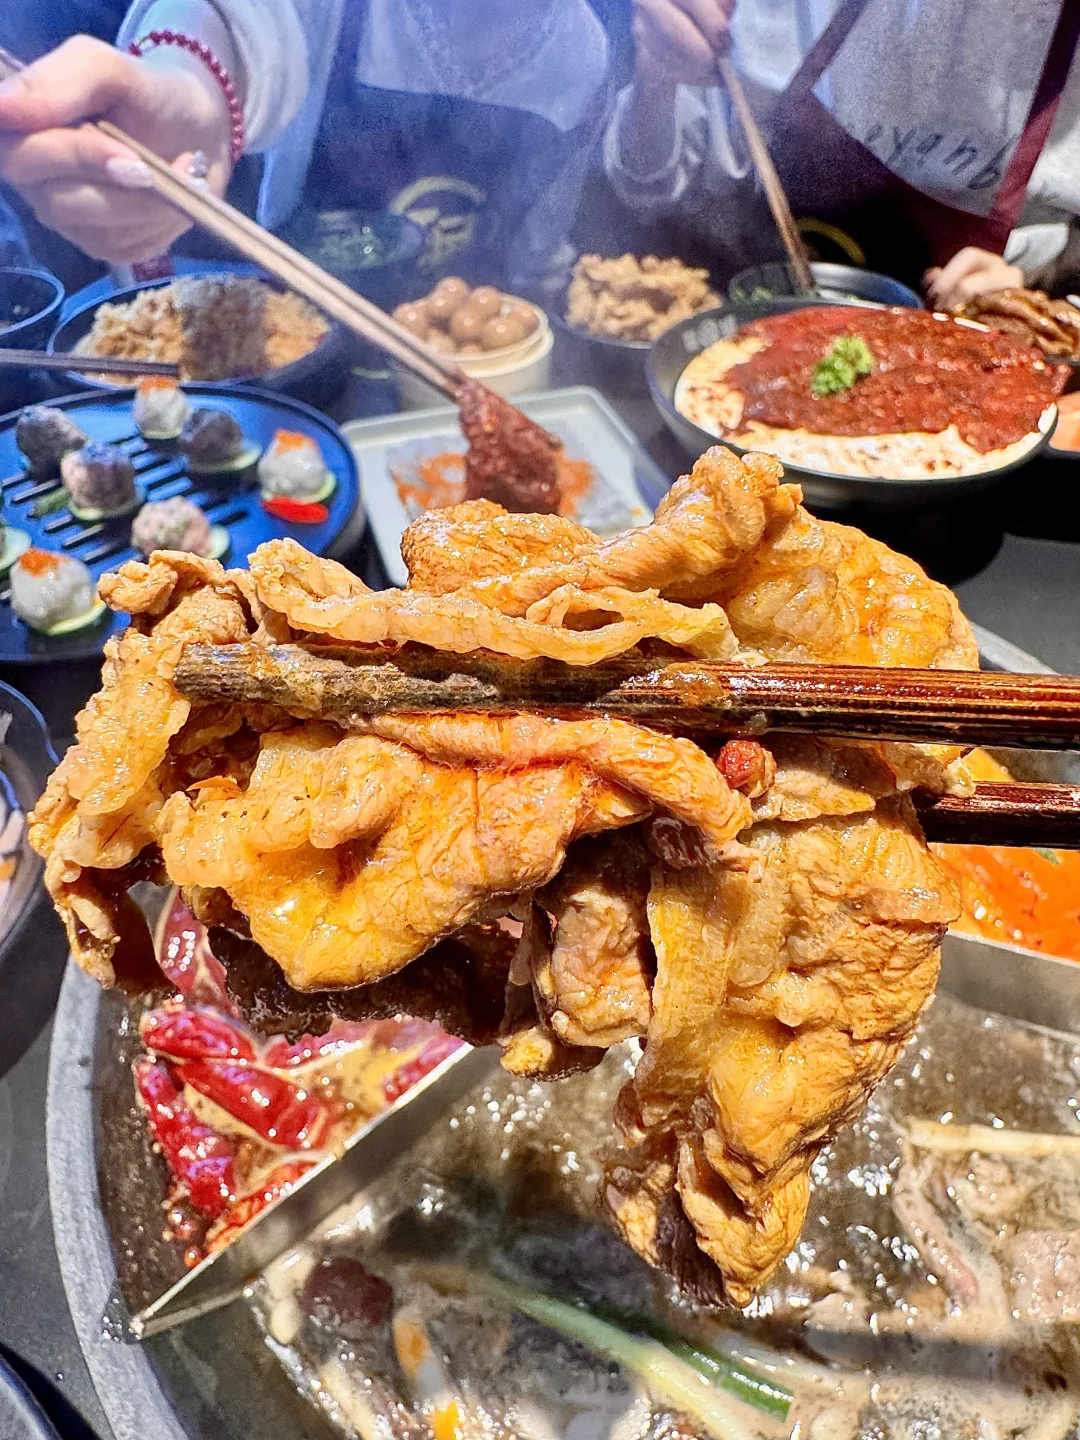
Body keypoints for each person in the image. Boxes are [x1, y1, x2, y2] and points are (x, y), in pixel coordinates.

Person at [0, 0, 612, 292]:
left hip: (464, 371)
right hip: (303, 348)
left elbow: (538, 251)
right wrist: (188, 87)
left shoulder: (583, 50)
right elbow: (235, 16)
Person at [604, 0, 1080, 301]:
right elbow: (654, 193)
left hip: (981, 381)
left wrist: (1036, 292)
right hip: (744, 343)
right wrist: (655, 79)